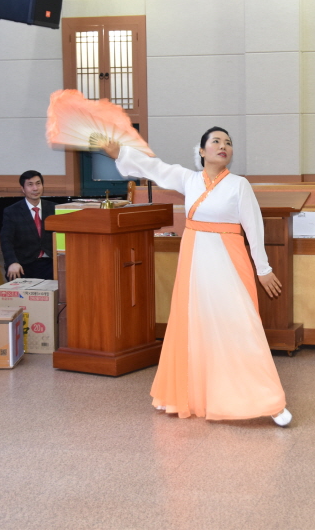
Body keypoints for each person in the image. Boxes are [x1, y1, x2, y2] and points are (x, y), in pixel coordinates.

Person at [103, 128, 292, 426]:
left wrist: (263, 269)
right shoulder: (188, 179)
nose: (223, 146)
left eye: (228, 142)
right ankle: (191, 395)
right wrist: (120, 153)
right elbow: (155, 168)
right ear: (202, 151)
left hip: (229, 262)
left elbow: (254, 228)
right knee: (194, 326)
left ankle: (269, 402)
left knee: (241, 326)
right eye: (216, 141)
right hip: (195, 263)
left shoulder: (239, 185)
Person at [0, 170, 56, 281]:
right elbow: (6, 240)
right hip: (25, 263)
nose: (35, 188)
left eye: (38, 183)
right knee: (15, 274)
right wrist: (12, 262)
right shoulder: (12, 211)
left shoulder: (54, 208)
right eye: (30, 185)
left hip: (50, 261)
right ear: (23, 189)